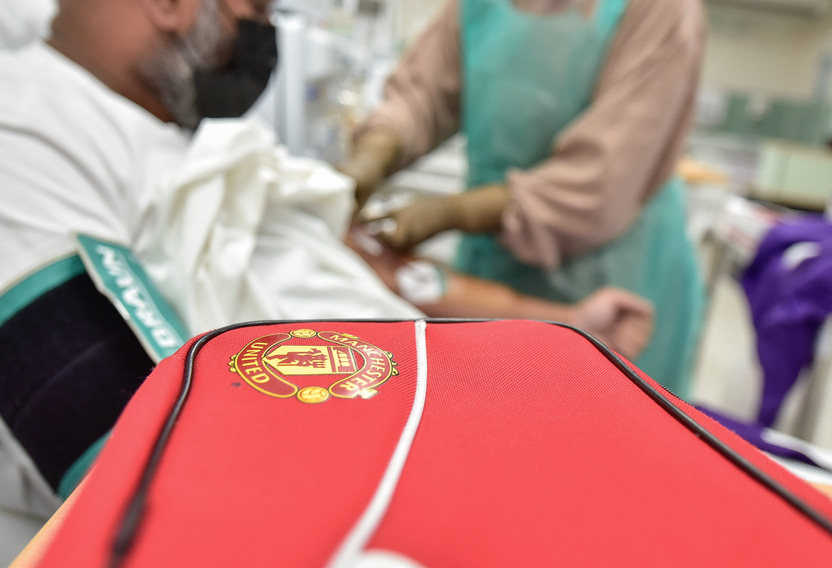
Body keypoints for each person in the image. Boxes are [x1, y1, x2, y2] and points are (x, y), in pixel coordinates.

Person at [0, 0, 653, 519]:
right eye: (254, 9)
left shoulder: (187, 140)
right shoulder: (29, 135)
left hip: (416, 439)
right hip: (315, 490)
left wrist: (563, 321)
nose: (261, 36)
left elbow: (376, 265)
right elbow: (108, 446)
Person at [339, 0, 706, 396]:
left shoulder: (660, 10)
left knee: (594, 396)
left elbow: (603, 177)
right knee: (491, 393)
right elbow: (421, 93)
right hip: (496, 260)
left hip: (610, 257)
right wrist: (379, 146)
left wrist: (454, 212)